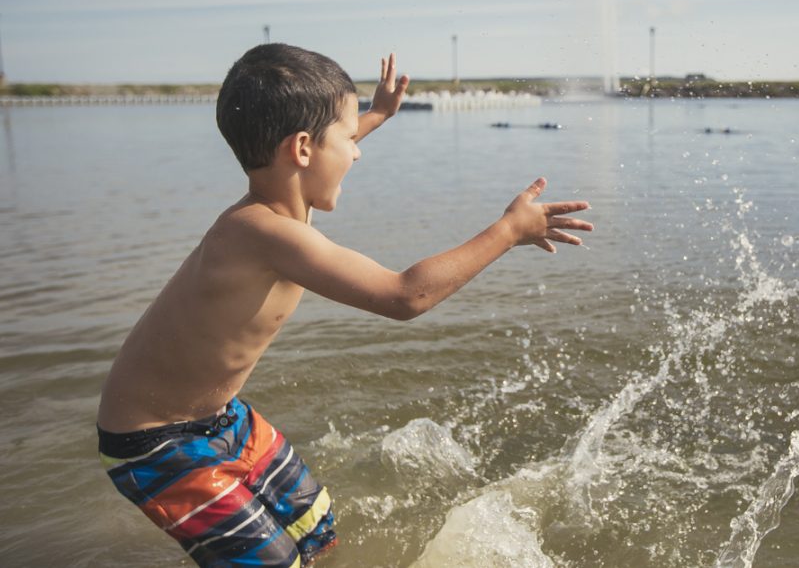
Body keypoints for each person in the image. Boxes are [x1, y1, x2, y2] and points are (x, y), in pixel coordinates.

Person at [96, 43, 593, 567]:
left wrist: (375, 114)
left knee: (316, 530)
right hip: (154, 443)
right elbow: (405, 296)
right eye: (349, 137)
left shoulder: (278, 204)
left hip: (220, 419)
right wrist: (509, 229)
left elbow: (325, 144)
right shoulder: (265, 233)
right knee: (272, 562)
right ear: (304, 149)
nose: (356, 151)